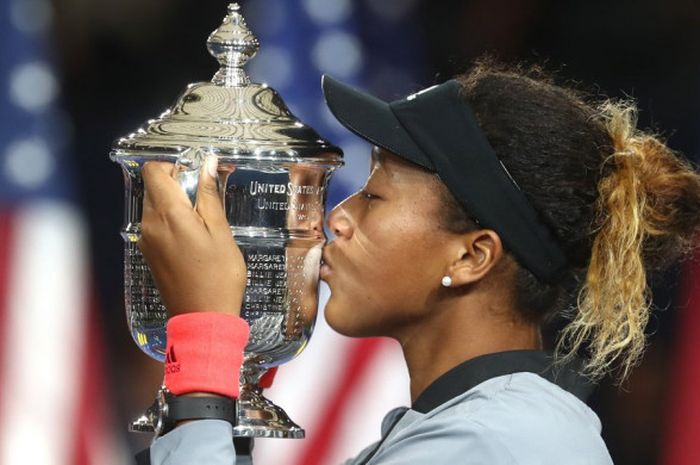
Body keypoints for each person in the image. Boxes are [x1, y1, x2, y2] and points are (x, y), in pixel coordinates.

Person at [135, 60, 700, 464]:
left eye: (374, 196)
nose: (338, 218)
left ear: (472, 255)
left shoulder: (492, 443)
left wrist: (207, 339)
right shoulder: (473, 429)